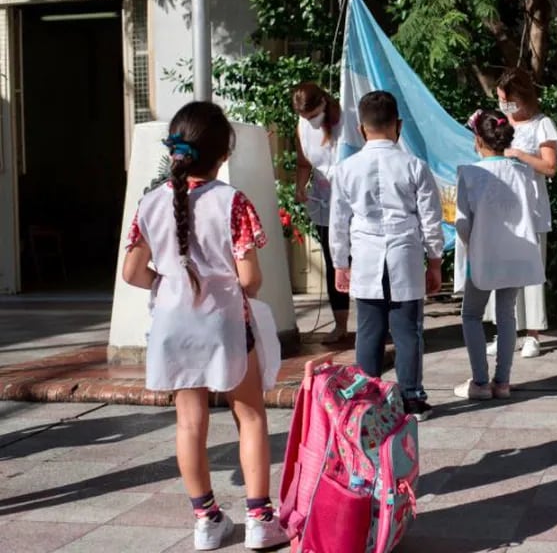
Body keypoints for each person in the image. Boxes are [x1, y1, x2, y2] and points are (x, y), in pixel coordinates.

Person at [122, 102, 288, 551]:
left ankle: (206, 520)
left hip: (172, 325)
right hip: (224, 322)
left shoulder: (151, 202)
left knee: (189, 422)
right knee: (250, 414)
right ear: (223, 152)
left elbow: (133, 273)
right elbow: (251, 279)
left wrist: (167, 282)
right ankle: (259, 520)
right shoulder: (232, 202)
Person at [329, 90, 445, 421]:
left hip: (365, 256)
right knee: (408, 329)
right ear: (399, 125)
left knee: (369, 331)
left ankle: (368, 399)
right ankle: (411, 397)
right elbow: (430, 218)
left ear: (361, 128)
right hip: (404, 253)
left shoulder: (346, 169)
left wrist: (340, 262)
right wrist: (434, 261)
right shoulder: (415, 166)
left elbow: (338, 221)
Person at [453, 108, 546, 400]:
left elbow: (462, 223)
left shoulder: (469, 173)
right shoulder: (522, 171)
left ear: (478, 140)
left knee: (471, 314)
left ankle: (480, 382)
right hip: (517, 252)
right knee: (507, 316)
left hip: (484, 252)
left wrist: (472, 245)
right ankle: (502, 381)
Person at [485, 68, 557, 359]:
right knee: (501, 272)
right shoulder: (499, 123)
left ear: (523, 96)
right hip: (501, 212)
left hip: (530, 211)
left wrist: (519, 155)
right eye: (501, 99)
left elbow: (550, 167)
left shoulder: (542, 124)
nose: (505, 105)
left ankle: (533, 334)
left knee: (531, 272)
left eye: (509, 99)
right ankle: (503, 332)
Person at [292, 81, 351, 343]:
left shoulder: (345, 120)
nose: (310, 121)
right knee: (333, 260)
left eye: (313, 116)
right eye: (305, 118)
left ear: (323, 103)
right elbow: (304, 161)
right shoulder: (303, 126)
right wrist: (299, 186)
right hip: (323, 199)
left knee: (359, 260)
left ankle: (378, 321)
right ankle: (340, 324)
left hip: (350, 199)